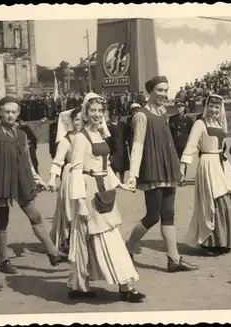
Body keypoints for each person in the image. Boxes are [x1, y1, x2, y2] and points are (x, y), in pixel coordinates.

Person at [67, 92, 146, 303]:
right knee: (105, 236)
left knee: (93, 236)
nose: (97, 114)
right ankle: (125, 284)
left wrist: (119, 183)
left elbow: (105, 166)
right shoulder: (80, 138)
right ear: (85, 112)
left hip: (104, 191)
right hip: (90, 192)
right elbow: (76, 171)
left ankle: (78, 285)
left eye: (100, 110)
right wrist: (81, 203)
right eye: (92, 110)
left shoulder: (100, 135)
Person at [125, 76, 198, 272]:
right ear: (150, 91)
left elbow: (168, 143)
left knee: (168, 214)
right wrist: (133, 174)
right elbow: (137, 146)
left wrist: (177, 167)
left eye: (166, 90)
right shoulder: (141, 115)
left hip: (167, 167)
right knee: (152, 216)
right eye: (160, 90)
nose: (164, 94)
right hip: (152, 167)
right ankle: (127, 249)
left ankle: (173, 259)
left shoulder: (164, 112)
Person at [0, 97, 68, 275]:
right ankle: (4, 260)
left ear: (18, 113)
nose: (10, 115)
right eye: (7, 111)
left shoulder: (22, 134)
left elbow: (28, 160)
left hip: (21, 179)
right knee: (3, 221)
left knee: (35, 216)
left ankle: (53, 253)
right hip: (1, 180)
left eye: (14, 112)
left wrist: (37, 178)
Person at [180, 94, 231, 256]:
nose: (214, 110)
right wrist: (182, 167)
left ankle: (223, 241)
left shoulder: (220, 124)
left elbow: (223, 146)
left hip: (220, 164)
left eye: (217, 107)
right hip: (207, 163)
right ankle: (210, 242)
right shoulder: (200, 123)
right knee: (211, 201)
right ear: (206, 107)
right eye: (211, 107)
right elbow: (191, 145)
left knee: (224, 199)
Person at [48, 107, 83, 254]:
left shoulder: (90, 136)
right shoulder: (66, 140)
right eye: (76, 119)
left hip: (87, 175)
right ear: (71, 122)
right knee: (70, 208)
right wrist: (52, 179)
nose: (79, 122)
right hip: (71, 175)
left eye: (82, 119)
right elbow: (58, 161)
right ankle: (69, 239)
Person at [169, 101, 194, 176]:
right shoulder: (172, 118)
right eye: (177, 107)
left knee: (183, 161)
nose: (178, 109)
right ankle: (177, 176)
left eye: (180, 107)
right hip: (175, 142)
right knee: (176, 161)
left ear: (183, 108)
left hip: (185, 143)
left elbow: (191, 132)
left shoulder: (188, 119)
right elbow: (170, 131)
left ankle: (183, 177)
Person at [107, 109, 130, 183]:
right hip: (113, 147)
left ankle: (122, 180)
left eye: (116, 116)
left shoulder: (123, 125)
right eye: (113, 116)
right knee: (114, 164)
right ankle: (115, 182)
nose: (115, 117)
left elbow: (128, 132)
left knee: (122, 165)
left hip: (122, 147)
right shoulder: (109, 126)